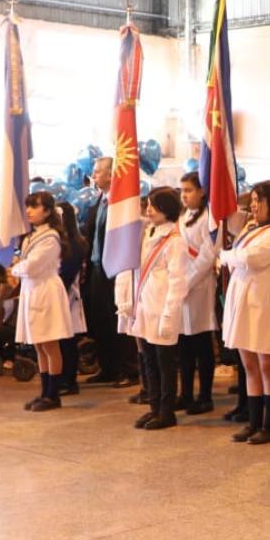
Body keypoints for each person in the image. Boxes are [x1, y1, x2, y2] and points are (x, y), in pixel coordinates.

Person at [220, 181, 270, 445]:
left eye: (258, 200)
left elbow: (250, 259)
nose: (253, 205)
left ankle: (269, 425)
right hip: (245, 299)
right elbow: (236, 253)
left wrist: (228, 255)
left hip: (266, 302)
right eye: (252, 200)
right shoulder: (251, 228)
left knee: (267, 365)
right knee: (250, 365)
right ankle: (253, 423)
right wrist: (232, 254)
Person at [125, 188, 189, 431]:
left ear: (166, 209)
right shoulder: (150, 232)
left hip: (163, 308)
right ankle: (154, 407)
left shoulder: (175, 240)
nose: (149, 210)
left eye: (154, 205)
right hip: (146, 305)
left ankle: (166, 411)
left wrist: (169, 314)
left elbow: (177, 281)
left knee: (165, 364)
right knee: (149, 360)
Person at [11, 192, 74, 411]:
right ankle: (44, 391)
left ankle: (53, 394)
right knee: (39, 344)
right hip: (32, 289)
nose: (29, 211)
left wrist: (16, 268)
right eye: (28, 206)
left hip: (45, 290)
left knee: (49, 343)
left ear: (47, 211)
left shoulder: (50, 237)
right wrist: (19, 265)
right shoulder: (32, 235)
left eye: (34, 206)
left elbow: (31, 266)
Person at [83, 156, 137, 388]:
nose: (93, 176)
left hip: (117, 268)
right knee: (101, 320)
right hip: (97, 267)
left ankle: (128, 369)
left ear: (111, 174)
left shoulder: (122, 203)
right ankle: (108, 368)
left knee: (119, 319)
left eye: (97, 172)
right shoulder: (100, 199)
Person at [176, 172, 218, 415]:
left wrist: (188, 281)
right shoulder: (182, 217)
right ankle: (185, 394)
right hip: (181, 285)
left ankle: (205, 396)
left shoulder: (208, 218)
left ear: (201, 192)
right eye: (182, 191)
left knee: (201, 342)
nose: (184, 195)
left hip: (199, 286)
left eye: (189, 190)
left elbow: (208, 254)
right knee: (184, 344)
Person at [56, 203, 87, 396]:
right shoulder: (59, 240)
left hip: (67, 296)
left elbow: (67, 273)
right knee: (61, 340)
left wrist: (56, 291)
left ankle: (69, 380)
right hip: (60, 294)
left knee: (67, 340)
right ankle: (62, 378)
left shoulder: (74, 243)